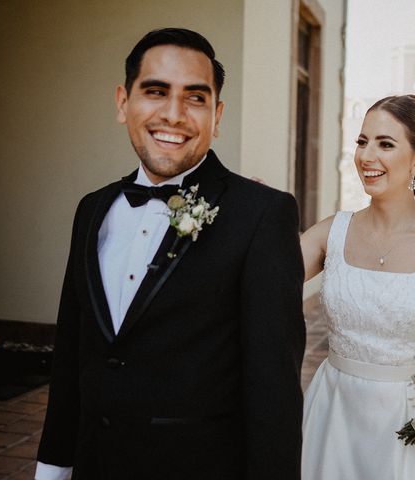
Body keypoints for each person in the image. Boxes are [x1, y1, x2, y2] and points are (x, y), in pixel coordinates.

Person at [35, 28, 306, 480]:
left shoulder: (262, 214)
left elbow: (273, 389)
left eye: (195, 98)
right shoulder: (92, 208)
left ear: (217, 116)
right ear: (123, 102)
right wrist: (53, 467)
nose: (174, 114)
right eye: (156, 92)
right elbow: (72, 355)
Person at [299, 94, 415, 479]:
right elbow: (262, 275)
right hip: (335, 413)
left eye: (385, 144)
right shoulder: (330, 233)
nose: (367, 156)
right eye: (362, 141)